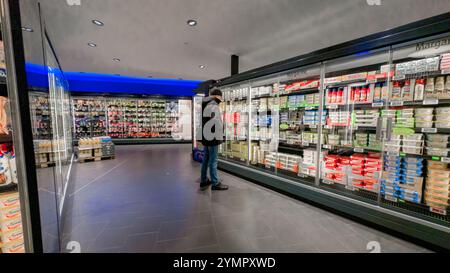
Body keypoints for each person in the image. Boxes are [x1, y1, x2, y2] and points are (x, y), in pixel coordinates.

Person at [200, 88, 228, 191]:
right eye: (221, 97)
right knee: (213, 160)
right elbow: (216, 122)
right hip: (213, 137)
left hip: (206, 136)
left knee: (206, 159)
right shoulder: (213, 104)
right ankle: (215, 183)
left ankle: (203, 180)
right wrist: (222, 134)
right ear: (217, 96)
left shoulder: (205, 102)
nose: (221, 100)